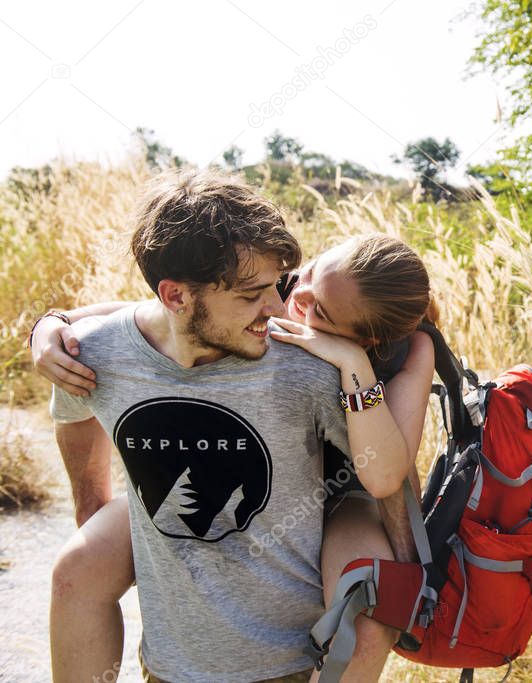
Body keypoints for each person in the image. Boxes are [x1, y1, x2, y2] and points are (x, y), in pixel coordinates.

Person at [35, 168, 435, 682]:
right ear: (175, 296)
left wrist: (412, 568)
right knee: (76, 570)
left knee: (367, 606)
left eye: (274, 288)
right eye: (255, 294)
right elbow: (115, 340)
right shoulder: (93, 353)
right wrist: (52, 323)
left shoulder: (325, 364)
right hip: (177, 627)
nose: (280, 307)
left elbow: (389, 478)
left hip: (341, 494)